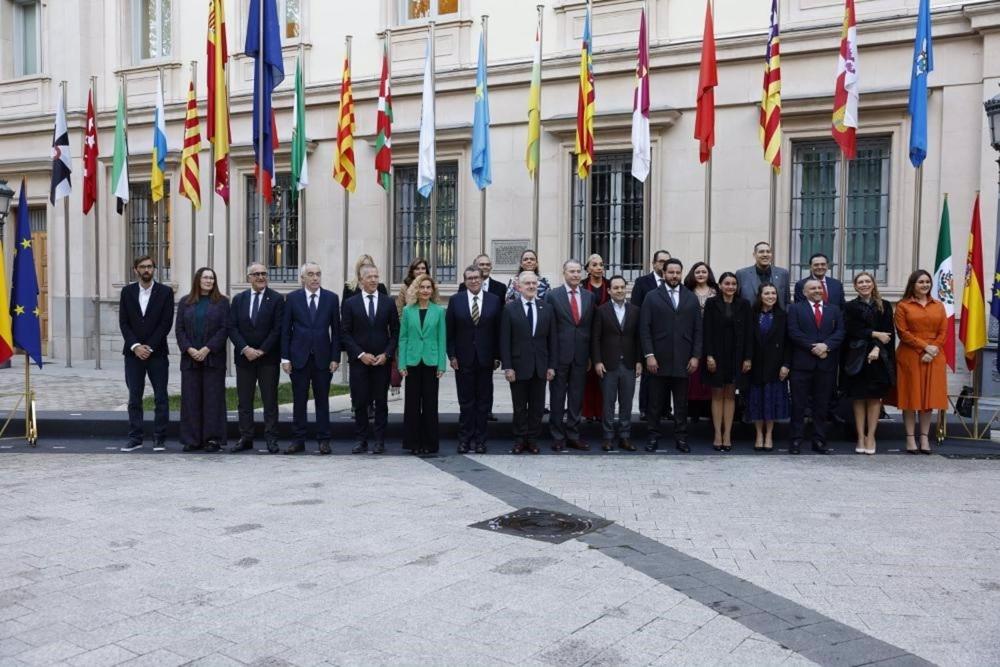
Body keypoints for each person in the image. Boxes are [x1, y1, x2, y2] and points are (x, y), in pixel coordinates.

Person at [640, 258, 702, 453]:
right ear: (664, 273)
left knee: (681, 404)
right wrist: (649, 355)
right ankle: (652, 436)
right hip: (658, 358)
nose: (674, 276)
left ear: (681, 274)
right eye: (671, 272)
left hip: (684, 359)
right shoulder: (651, 296)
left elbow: (697, 330)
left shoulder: (690, 297)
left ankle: (681, 438)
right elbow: (645, 328)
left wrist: (695, 356)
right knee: (655, 403)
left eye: (677, 272)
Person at [281, 262, 341, 455]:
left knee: (322, 400)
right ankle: (298, 440)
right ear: (303, 278)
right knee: (299, 401)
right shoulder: (292, 299)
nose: (315, 278)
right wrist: (285, 358)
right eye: (311, 274)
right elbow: (285, 331)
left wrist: (335, 357)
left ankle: (324, 440)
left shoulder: (331, 298)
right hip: (299, 358)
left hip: (323, 358)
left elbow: (337, 331)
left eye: (318, 274)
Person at [119, 255, 175, 452]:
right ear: (136, 269)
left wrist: (149, 347)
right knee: (134, 397)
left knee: (161, 397)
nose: (146, 270)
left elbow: (165, 323)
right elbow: (124, 323)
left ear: (154, 269)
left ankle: (159, 438)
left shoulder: (165, 292)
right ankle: (135, 438)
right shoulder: (127, 292)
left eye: (150, 267)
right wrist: (135, 346)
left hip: (157, 353)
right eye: (142, 267)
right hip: (133, 354)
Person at [342, 264, 400, 454]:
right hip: (359, 363)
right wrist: (360, 354)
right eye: (370, 277)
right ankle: (361, 440)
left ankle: (379, 441)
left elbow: (395, 333)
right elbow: (345, 333)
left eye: (376, 276)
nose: (374, 280)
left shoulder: (388, 302)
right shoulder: (350, 303)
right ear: (361, 280)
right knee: (360, 403)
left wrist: (387, 354)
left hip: (381, 362)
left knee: (380, 403)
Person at [890, 270, 947, 454]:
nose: (925, 285)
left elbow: (943, 332)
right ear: (913, 284)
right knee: (910, 398)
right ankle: (910, 438)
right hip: (910, 356)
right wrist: (924, 347)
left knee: (928, 399)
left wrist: (933, 349)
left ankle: (924, 438)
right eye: (921, 282)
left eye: (927, 282)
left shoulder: (938, 305)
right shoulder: (903, 306)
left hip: (934, 356)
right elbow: (903, 332)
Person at [229, 263, 284, 454]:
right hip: (244, 359)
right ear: (248, 277)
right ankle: (246, 437)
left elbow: (278, 329)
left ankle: (271, 438)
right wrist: (245, 349)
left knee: (270, 401)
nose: (261, 277)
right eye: (256, 274)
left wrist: (261, 350)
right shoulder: (238, 300)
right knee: (244, 401)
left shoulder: (276, 299)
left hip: (268, 359)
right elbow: (232, 327)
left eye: (264, 273)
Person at [500, 271, 557, 454]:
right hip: (518, 367)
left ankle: (532, 439)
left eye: (534, 283)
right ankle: (519, 440)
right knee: (519, 407)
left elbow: (552, 340)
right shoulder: (510, 309)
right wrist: (507, 366)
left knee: (537, 407)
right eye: (527, 284)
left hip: (540, 367)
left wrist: (551, 366)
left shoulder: (546, 308)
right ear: (519, 286)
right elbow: (505, 340)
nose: (532, 286)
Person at [787, 278, 845, 454]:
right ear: (805, 292)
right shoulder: (795, 309)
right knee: (798, 405)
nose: (817, 290)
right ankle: (796, 440)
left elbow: (840, 332)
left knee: (821, 405)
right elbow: (793, 332)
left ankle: (819, 440)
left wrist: (826, 346)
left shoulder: (833, 310)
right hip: (801, 365)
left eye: (819, 287)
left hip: (826, 365)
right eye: (813, 288)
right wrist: (815, 347)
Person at [447, 264, 502, 454]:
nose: (473, 281)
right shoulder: (456, 301)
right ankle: (464, 440)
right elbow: (450, 332)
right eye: (469, 278)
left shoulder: (494, 300)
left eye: (476, 278)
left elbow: (498, 332)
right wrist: (451, 355)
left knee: (483, 403)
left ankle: (480, 441)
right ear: (465, 280)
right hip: (463, 360)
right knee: (466, 402)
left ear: (482, 279)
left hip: (486, 359)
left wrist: (497, 356)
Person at [175, 267, 231, 453]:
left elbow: (224, 329)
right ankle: (192, 439)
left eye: (212, 278)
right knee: (191, 399)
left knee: (213, 399)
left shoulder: (222, 302)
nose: (209, 281)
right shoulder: (185, 302)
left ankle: (212, 439)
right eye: (206, 278)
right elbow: (179, 329)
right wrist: (190, 349)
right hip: (190, 359)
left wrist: (207, 349)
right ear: (198, 279)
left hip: (213, 358)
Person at [843, 272, 895, 455]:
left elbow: (888, 333)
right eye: (860, 282)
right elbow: (851, 330)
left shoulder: (885, 306)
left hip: (878, 358)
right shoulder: (849, 307)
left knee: (874, 398)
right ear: (855, 287)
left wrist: (877, 348)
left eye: (867, 281)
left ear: (873, 284)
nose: (864, 285)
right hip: (856, 357)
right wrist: (874, 334)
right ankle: (860, 436)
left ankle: (871, 436)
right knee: (858, 398)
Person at [545, 259, 595, 451]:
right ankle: (557, 436)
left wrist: (591, 355)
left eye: (578, 271)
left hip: (581, 356)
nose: (575, 275)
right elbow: (549, 328)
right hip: (559, 356)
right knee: (557, 398)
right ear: (564, 273)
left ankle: (573, 435)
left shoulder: (589, 297)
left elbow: (590, 327)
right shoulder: (553, 296)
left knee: (576, 397)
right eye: (571, 271)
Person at [702, 272, 753, 451]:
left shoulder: (744, 304)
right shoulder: (711, 303)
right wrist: (708, 355)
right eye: (727, 283)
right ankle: (717, 434)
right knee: (717, 395)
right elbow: (706, 331)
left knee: (730, 395)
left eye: (733, 284)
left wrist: (748, 357)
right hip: (716, 355)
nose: (730, 287)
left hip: (736, 356)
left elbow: (749, 333)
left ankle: (727, 435)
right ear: (720, 285)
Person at [591, 275, 642, 452]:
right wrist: (597, 361)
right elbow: (595, 338)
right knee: (608, 403)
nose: (619, 290)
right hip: (608, 363)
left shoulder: (635, 310)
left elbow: (638, 338)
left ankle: (625, 437)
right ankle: (608, 437)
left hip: (628, 363)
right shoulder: (601, 310)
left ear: (625, 289)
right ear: (610, 290)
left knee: (626, 403)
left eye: (622, 287)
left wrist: (638, 361)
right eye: (616, 288)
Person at [398, 274, 447, 455]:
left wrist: (442, 365)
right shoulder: (408, 311)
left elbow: (442, 339)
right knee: (411, 404)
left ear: (432, 290)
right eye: (422, 287)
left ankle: (429, 443)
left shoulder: (439, 311)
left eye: (428, 287)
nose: (425, 290)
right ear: (416, 290)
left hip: (431, 362)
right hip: (411, 361)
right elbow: (402, 339)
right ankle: (413, 443)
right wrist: (401, 363)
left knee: (430, 403)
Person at [746, 284, 791, 451]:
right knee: (757, 401)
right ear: (760, 295)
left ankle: (769, 434)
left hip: (776, 365)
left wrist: (786, 365)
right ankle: (758, 434)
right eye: (767, 293)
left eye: (773, 293)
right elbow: (747, 340)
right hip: (756, 364)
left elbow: (788, 343)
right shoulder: (752, 314)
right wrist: (747, 359)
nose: (771, 296)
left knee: (771, 401)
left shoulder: (783, 316)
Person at [632, 249, 670, 421]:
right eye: (661, 261)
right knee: (649, 374)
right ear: (653, 263)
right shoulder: (642, 282)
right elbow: (635, 309)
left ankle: (665, 409)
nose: (663, 265)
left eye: (666, 262)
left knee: (667, 373)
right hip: (648, 334)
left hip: (668, 336)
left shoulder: (673, 282)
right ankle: (645, 408)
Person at [683, 261, 719, 422]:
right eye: (697, 272)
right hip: (691, 336)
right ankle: (693, 410)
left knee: (710, 372)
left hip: (712, 335)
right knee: (694, 376)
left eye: (704, 272)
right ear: (693, 274)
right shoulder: (687, 292)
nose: (701, 275)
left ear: (708, 274)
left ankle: (709, 409)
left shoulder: (716, 291)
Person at [580, 253, 610, 422]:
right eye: (595, 264)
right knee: (587, 374)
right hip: (587, 333)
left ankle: (601, 411)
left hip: (606, 336)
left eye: (601, 264)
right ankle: (587, 412)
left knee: (603, 374)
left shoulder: (610, 285)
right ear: (588, 269)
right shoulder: (583, 286)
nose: (599, 267)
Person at [393, 257, 428, 396]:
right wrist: (409, 325)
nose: (420, 271)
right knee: (412, 375)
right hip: (410, 334)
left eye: (423, 268)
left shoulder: (430, 285)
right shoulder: (404, 287)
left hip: (427, 335)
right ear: (412, 271)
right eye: (417, 268)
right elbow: (399, 311)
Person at [735, 241, 791, 309]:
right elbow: (735, 300)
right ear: (754, 255)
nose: (765, 254)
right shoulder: (741, 274)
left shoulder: (783, 274)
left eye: (768, 252)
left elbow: (787, 301)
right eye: (761, 252)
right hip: (749, 317)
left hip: (777, 318)